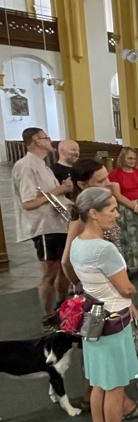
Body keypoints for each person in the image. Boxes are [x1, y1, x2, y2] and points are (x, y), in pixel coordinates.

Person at [62, 159, 138, 421]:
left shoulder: (103, 212)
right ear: (83, 185)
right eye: (101, 180)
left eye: (108, 177)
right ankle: (117, 408)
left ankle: (103, 405)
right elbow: (66, 261)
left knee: (100, 356)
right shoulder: (82, 220)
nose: (109, 183)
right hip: (102, 296)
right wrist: (84, 288)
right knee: (103, 359)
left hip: (108, 286)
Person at [69, 187, 138, 422]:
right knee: (114, 387)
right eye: (111, 209)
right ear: (93, 212)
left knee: (99, 384)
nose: (117, 214)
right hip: (113, 320)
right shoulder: (104, 249)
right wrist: (131, 291)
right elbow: (125, 288)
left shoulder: (78, 243)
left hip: (93, 319)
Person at [11, 127, 73, 315]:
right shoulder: (26, 166)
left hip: (58, 224)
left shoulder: (43, 165)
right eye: (46, 137)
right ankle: (48, 316)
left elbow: (48, 194)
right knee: (50, 272)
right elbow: (29, 202)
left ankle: (63, 309)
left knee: (63, 268)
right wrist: (61, 189)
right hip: (45, 226)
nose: (50, 140)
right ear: (36, 140)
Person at [109, 147, 138, 275]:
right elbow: (117, 194)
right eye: (129, 158)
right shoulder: (115, 174)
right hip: (125, 207)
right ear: (122, 158)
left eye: (134, 158)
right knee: (127, 238)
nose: (132, 161)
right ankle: (128, 266)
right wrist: (134, 207)